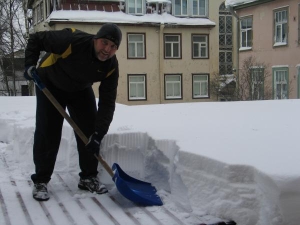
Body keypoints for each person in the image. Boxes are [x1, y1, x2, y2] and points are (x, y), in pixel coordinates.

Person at [24, 23, 122, 201]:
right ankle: (41, 180)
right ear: (96, 39)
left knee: (90, 131)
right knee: (48, 131)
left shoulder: (111, 66)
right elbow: (36, 39)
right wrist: (29, 64)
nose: (107, 49)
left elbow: (107, 103)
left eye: (113, 46)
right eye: (104, 43)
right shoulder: (72, 40)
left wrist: (99, 133)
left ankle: (88, 177)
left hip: (79, 88)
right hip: (50, 83)